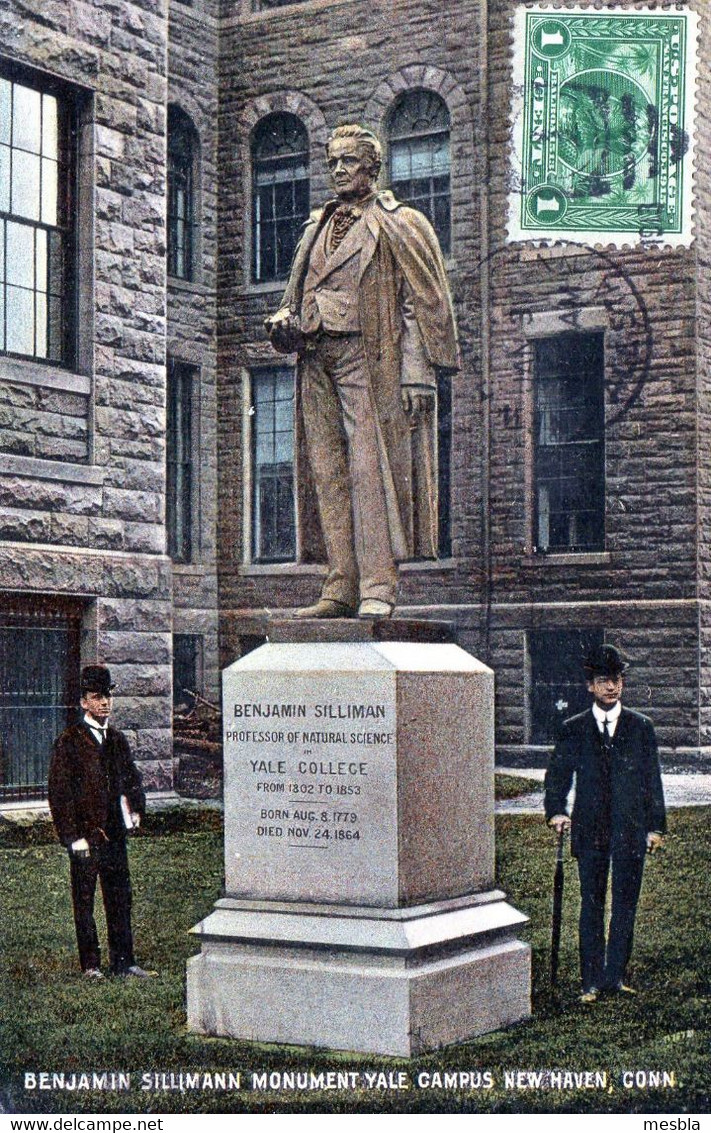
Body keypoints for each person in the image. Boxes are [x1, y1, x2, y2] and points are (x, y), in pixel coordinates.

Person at [265, 123, 459, 619]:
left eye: (348, 161)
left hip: (369, 359)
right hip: (316, 357)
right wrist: (286, 322)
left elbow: (419, 303)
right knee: (328, 472)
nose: (338, 170)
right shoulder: (316, 227)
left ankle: (378, 586)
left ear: (372, 167)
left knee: (370, 472)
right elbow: (297, 293)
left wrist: (418, 371)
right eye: (332, 162)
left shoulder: (400, 223)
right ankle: (339, 586)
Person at [544, 644, 666, 1003]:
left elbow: (652, 782)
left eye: (616, 680)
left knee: (625, 904)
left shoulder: (641, 728)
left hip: (630, 829)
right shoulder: (574, 729)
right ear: (590, 686)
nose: (611, 687)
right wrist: (556, 811)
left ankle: (616, 977)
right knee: (592, 904)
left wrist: (655, 827)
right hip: (590, 829)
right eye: (603, 680)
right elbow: (558, 776)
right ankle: (591, 981)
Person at [48, 665, 156, 980]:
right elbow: (59, 793)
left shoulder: (117, 740)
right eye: (97, 697)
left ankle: (124, 961)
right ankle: (91, 965)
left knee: (120, 896)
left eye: (108, 696)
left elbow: (132, 780)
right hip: (86, 836)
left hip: (114, 835)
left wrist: (136, 809)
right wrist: (72, 837)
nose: (104, 703)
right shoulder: (69, 741)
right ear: (84, 703)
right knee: (84, 900)